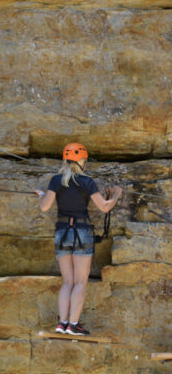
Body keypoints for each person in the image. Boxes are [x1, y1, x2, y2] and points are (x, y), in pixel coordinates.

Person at [35, 143, 121, 336]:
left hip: (62, 231)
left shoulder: (56, 181)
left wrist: (41, 195)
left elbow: (44, 207)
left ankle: (62, 323)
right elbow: (105, 207)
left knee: (68, 282)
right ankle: (73, 325)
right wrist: (116, 194)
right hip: (82, 231)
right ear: (82, 161)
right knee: (80, 282)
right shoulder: (87, 182)